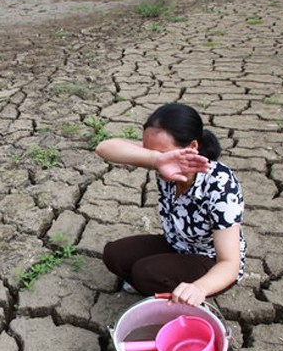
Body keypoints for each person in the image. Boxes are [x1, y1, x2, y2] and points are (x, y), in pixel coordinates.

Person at [96, 103, 246, 306]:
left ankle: (178, 298)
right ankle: (161, 283)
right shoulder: (162, 159)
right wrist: (156, 159)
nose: (161, 162)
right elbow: (104, 147)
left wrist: (199, 288)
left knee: (145, 273)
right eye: (152, 152)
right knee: (115, 254)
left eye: (165, 153)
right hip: (177, 243)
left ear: (192, 147)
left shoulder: (220, 184)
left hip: (208, 260)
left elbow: (230, 264)